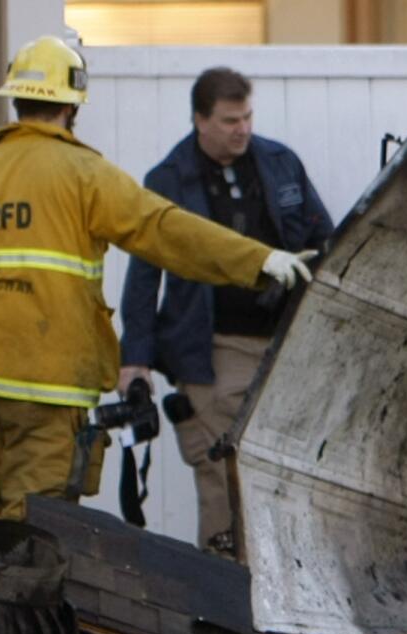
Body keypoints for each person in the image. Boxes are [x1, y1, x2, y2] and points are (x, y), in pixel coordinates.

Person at [0, 36, 315, 523]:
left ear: (16, 99)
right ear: (72, 107)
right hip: (46, 393)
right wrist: (257, 260)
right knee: (30, 533)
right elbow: (165, 231)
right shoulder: (85, 174)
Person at [118, 67, 333, 555]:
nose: (242, 128)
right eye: (230, 119)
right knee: (220, 475)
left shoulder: (280, 163)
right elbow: (144, 276)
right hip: (211, 349)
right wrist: (135, 359)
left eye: (248, 117)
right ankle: (225, 597)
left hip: (283, 346)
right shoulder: (168, 180)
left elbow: (324, 239)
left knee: (284, 475)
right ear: (201, 120)